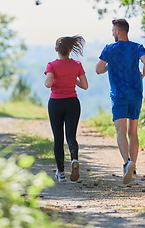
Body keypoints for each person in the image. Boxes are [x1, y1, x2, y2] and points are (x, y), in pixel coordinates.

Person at [95, 19, 145, 185]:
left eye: (113, 30)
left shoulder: (109, 49)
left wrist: (109, 66)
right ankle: (133, 168)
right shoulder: (137, 47)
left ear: (118, 31)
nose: (112, 33)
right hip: (135, 93)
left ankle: (127, 163)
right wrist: (142, 74)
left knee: (120, 131)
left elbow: (98, 70)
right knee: (133, 131)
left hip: (118, 95)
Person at [44, 35, 88, 182]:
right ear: (70, 50)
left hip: (56, 103)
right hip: (72, 103)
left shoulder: (51, 65)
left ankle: (61, 173)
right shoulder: (77, 64)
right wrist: (71, 78)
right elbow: (84, 86)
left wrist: (50, 78)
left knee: (58, 138)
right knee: (71, 136)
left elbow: (49, 84)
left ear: (56, 49)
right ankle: (74, 158)